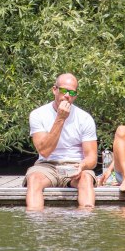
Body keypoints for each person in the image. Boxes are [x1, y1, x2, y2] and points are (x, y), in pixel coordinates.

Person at [24, 73, 98, 210]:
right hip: (47, 165)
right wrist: (60, 119)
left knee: (86, 179)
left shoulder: (85, 118)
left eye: (72, 92)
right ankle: (35, 221)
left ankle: (86, 221)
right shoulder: (38, 114)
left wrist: (82, 166)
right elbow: (44, 151)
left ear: (75, 95)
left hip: (75, 166)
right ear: (54, 90)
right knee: (33, 179)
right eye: (63, 91)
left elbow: (92, 158)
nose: (67, 96)